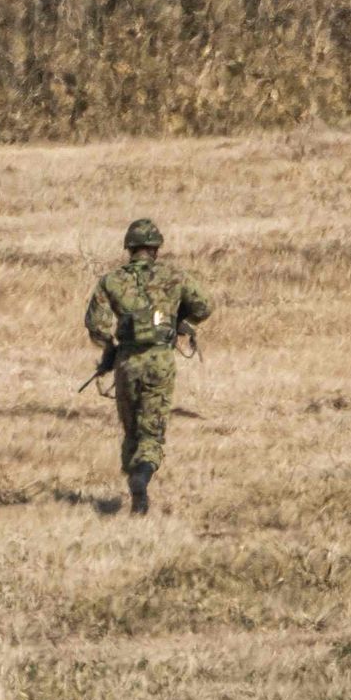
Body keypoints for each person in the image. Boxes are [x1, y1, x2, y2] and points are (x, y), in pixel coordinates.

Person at [85, 219, 210, 516]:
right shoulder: (175, 276)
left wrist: (110, 349)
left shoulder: (112, 280)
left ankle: (135, 491)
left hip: (127, 362)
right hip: (160, 362)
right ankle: (142, 478)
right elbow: (204, 306)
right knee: (151, 433)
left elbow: (96, 324)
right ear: (155, 248)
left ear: (129, 247)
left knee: (131, 431)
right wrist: (183, 324)